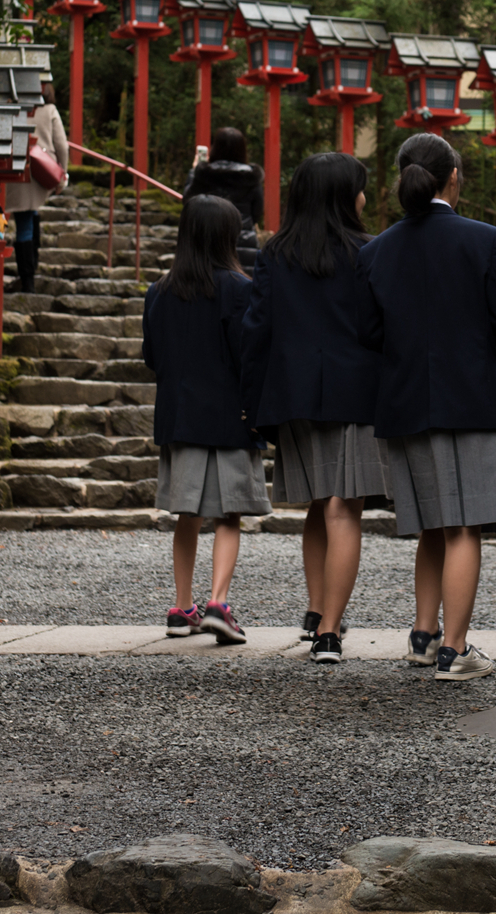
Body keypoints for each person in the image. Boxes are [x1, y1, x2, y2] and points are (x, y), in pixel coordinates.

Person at [359, 133, 496, 682]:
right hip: (466, 396)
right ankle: (455, 650)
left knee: (432, 525)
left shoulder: (377, 250)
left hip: (404, 400)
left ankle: (424, 635)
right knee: (463, 527)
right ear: (452, 176)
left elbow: (368, 330)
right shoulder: (484, 239)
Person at [242, 152, 387, 664]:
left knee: (316, 505)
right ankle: (329, 631)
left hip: (295, 395)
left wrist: (253, 403)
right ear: (346, 196)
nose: (365, 197)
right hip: (357, 392)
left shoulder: (275, 254)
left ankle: (316, 610)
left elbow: (256, 331)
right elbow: (381, 328)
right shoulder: (369, 252)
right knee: (345, 507)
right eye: (361, 188)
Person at [141, 195, 272, 644]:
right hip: (230, 418)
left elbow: (152, 357)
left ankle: (182, 608)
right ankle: (218, 602)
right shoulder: (240, 288)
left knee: (187, 516)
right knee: (229, 516)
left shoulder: (159, 291)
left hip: (180, 419)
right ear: (226, 237)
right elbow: (249, 355)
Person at [6, 78, 69, 293]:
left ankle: (27, 279)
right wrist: (62, 173)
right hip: (42, 170)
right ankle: (30, 275)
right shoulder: (49, 110)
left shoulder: (11, 107)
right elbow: (61, 144)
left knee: (24, 219)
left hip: (16, 168)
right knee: (29, 216)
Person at [183, 127, 265, 272]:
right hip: (244, 242)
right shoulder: (252, 178)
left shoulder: (203, 173)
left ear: (215, 147)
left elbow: (188, 204)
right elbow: (257, 212)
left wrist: (194, 171)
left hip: (207, 241)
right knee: (244, 289)